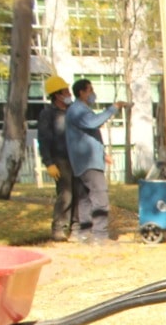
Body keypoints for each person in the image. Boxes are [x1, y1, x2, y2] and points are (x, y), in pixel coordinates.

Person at [64, 79, 127, 244]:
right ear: (82, 93)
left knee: (85, 199)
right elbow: (93, 123)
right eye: (90, 90)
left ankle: (85, 235)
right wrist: (113, 108)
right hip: (88, 163)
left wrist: (103, 154)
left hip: (85, 162)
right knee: (100, 197)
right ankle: (100, 235)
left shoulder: (80, 110)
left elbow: (89, 135)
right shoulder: (77, 110)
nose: (93, 93)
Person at [36, 75, 78, 242]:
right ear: (57, 95)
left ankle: (76, 227)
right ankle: (58, 228)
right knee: (66, 194)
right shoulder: (48, 114)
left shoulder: (73, 111)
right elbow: (44, 139)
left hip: (77, 158)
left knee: (79, 193)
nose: (69, 94)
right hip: (60, 159)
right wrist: (49, 163)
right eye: (66, 91)